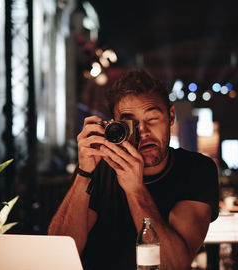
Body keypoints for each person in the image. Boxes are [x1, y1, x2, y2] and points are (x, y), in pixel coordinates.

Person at [48, 69, 219, 270]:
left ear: (171, 116)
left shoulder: (196, 170)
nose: (143, 132)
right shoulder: (101, 167)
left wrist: (135, 189)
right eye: (131, 123)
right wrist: (84, 174)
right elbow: (57, 256)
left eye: (152, 119)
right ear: (115, 125)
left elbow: (172, 265)